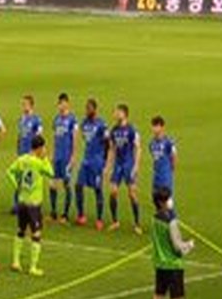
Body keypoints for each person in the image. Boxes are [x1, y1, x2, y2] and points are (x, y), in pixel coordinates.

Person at [148, 186, 194, 299]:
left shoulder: (154, 219)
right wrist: (188, 245)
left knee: (157, 298)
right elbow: (177, 247)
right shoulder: (171, 221)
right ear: (162, 201)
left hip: (160, 264)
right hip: (173, 265)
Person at [8, 135, 54, 277]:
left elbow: (9, 171)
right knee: (36, 233)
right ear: (40, 148)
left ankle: (15, 262)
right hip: (34, 204)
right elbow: (51, 173)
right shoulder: (38, 163)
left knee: (20, 231)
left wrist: (17, 186)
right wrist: (45, 158)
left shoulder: (22, 159)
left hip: (22, 201)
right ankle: (33, 267)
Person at [105, 104, 142, 234]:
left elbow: (138, 148)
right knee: (113, 191)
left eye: (117, 112)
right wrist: (108, 166)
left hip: (128, 164)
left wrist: (136, 166)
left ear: (124, 114)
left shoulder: (132, 130)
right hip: (118, 165)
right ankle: (115, 221)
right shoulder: (113, 130)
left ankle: (137, 223)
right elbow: (112, 149)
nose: (115, 114)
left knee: (132, 194)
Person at [75, 98, 107, 230]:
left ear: (95, 109)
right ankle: (81, 215)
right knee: (78, 185)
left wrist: (104, 161)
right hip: (86, 160)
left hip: (97, 161)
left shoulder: (101, 124)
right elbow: (85, 138)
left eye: (89, 108)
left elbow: (107, 143)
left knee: (98, 189)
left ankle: (99, 219)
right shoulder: (84, 124)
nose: (87, 111)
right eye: (86, 108)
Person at [50, 93, 78, 224]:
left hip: (66, 156)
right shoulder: (56, 120)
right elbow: (55, 138)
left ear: (67, 103)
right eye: (59, 103)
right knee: (52, 184)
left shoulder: (73, 120)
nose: (60, 106)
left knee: (66, 184)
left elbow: (75, 139)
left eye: (62, 103)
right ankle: (53, 213)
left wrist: (73, 156)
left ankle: (65, 215)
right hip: (57, 157)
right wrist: (52, 153)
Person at [149, 116, 177, 203]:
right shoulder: (152, 143)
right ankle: (163, 214)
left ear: (162, 127)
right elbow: (154, 156)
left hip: (165, 173)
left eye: (156, 126)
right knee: (155, 196)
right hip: (156, 173)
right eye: (153, 126)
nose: (154, 128)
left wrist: (171, 169)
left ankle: (172, 216)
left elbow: (174, 156)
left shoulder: (168, 141)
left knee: (166, 196)